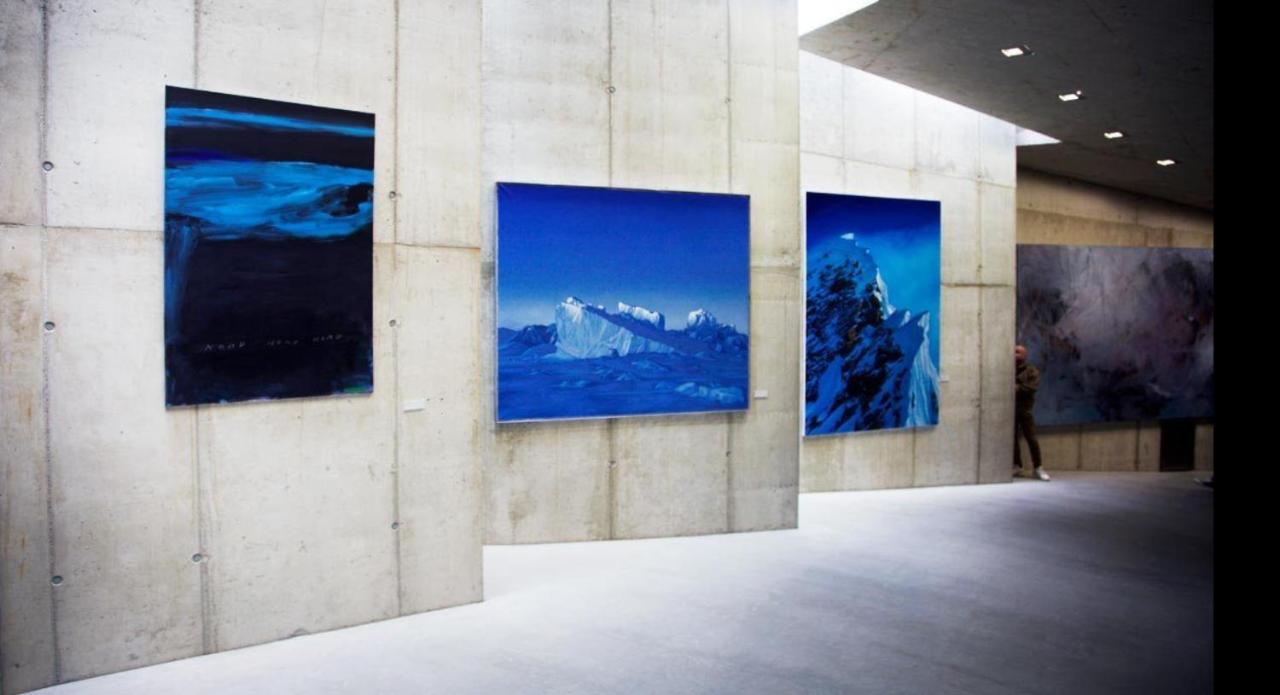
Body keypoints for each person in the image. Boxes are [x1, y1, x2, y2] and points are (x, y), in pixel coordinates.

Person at [1014, 345, 1050, 481]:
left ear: (1024, 355)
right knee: (1013, 439)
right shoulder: (1009, 370)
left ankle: (1038, 467)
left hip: (1025, 409)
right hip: (1011, 410)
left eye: (1017, 352)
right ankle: (1017, 465)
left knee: (1031, 438)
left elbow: (1031, 387)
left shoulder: (1031, 371)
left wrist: (1016, 388)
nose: (1014, 355)